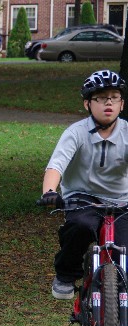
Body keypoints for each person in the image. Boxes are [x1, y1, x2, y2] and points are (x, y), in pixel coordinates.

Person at [40, 69, 128, 301]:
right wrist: (49, 192)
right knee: (80, 226)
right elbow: (55, 167)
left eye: (114, 97)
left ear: (122, 104)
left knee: (125, 250)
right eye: (100, 97)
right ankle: (65, 274)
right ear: (87, 104)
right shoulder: (76, 133)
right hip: (83, 196)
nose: (108, 102)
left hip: (122, 199)